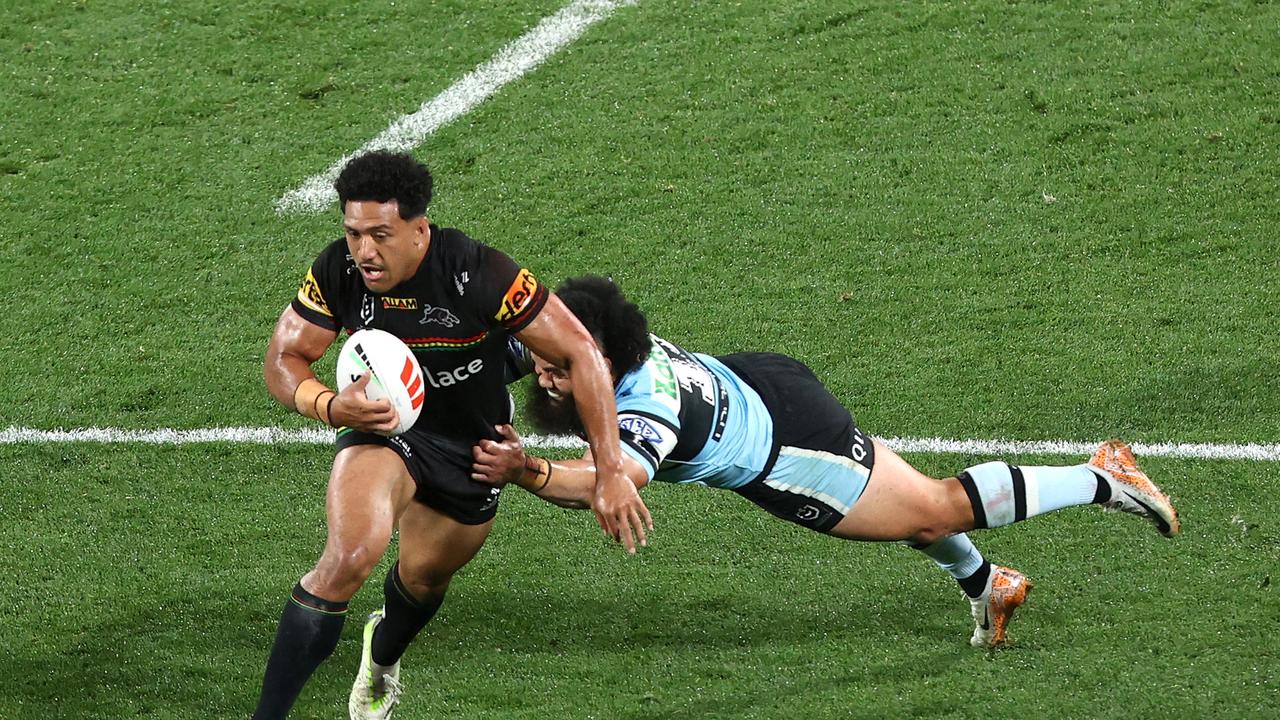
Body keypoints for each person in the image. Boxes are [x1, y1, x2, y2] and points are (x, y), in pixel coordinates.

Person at [472, 275, 1181, 649]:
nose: (543, 373)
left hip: (788, 448)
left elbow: (611, 482)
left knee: (932, 507)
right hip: (765, 385)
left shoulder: (650, 412)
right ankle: (987, 583)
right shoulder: (607, 346)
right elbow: (508, 346)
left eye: (557, 365)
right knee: (905, 507)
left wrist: (527, 471)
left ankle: (1103, 476)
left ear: (601, 361)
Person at [254, 153, 651, 720]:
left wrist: (610, 472)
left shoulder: (479, 271)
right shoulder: (336, 272)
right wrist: (329, 404)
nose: (364, 251)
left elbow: (579, 350)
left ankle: (383, 659)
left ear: (420, 230)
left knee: (422, 579)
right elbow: (284, 357)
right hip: (386, 436)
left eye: (380, 235)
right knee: (349, 555)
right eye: (353, 233)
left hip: (472, 450)